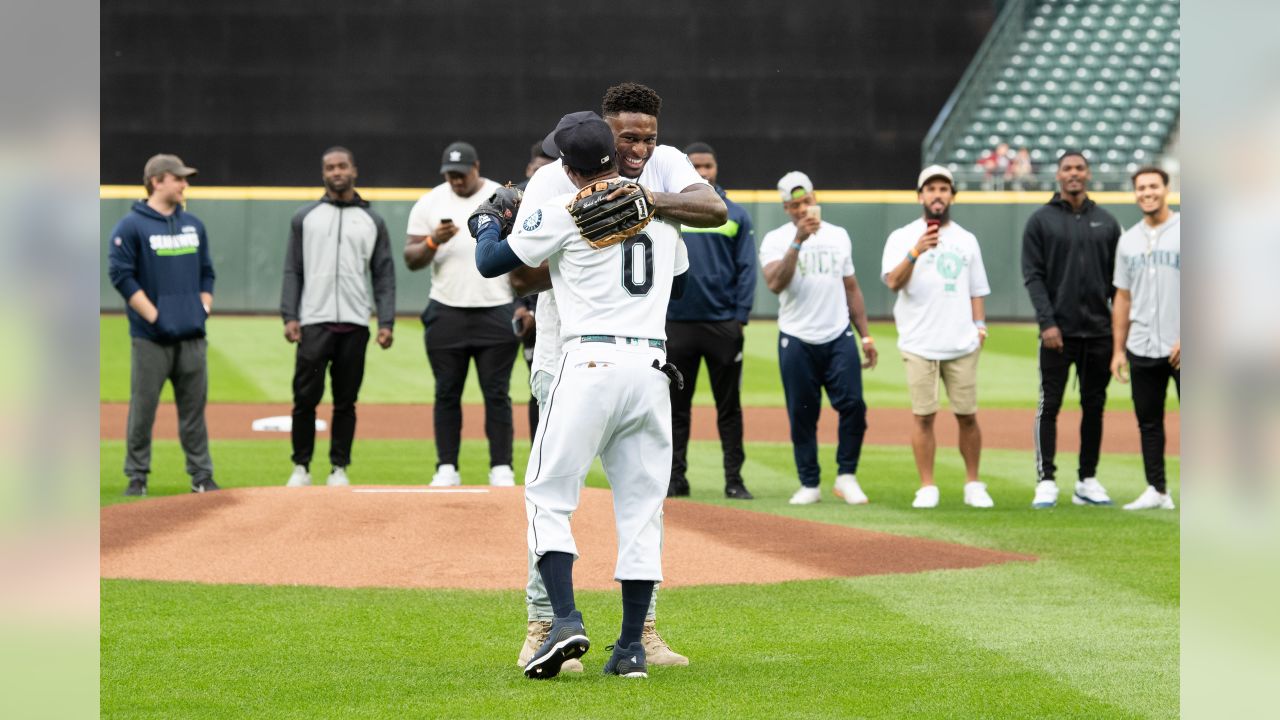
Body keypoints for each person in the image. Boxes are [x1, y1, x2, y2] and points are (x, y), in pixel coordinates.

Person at [509, 84, 726, 673]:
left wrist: (637, 198)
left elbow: (716, 209)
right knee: (587, 492)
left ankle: (634, 633)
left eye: (648, 137)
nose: (640, 147)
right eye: (628, 137)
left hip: (605, 350)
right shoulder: (554, 177)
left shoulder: (664, 165)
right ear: (605, 132)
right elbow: (527, 279)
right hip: (575, 348)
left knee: (582, 496)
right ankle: (542, 624)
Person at [471, 111, 689, 679]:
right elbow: (680, 279)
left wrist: (488, 222)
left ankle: (563, 619)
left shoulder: (569, 209)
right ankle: (632, 649)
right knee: (642, 510)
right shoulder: (661, 207)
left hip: (589, 359)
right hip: (652, 365)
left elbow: (493, 265)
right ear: (614, 156)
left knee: (548, 495)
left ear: (566, 165)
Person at [404, 142, 519, 487]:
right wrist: (432, 242)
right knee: (446, 393)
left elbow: (523, 249)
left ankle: (501, 467)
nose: (455, 180)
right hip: (447, 309)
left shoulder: (502, 197)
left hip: (495, 308)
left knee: (496, 393)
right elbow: (411, 259)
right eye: (449, 174)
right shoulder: (430, 201)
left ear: (476, 167)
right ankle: (446, 467)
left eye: (461, 173)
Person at [280, 147, 396, 487]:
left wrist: (385, 321)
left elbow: (383, 274)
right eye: (330, 167)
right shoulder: (306, 217)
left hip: (355, 323)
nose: (336, 172)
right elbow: (293, 270)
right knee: (305, 398)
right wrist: (290, 314)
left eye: (342, 166)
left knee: (346, 401)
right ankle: (301, 466)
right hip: (314, 321)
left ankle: (338, 468)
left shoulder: (372, 220)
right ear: (323, 173)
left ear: (354, 170)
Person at [760, 171, 877, 506]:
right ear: (785, 208)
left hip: (837, 333)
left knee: (854, 405)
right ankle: (809, 481)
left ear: (815, 198)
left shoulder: (839, 235)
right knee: (803, 413)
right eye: (794, 205)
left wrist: (865, 337)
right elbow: (775, 283)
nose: (802, 209)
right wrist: (798, 240)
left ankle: (846, 476)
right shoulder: (776, 239)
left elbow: (851, 288)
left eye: (806, 201)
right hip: (797, 337)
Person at [881, 165, 994, 509]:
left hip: (960, 340)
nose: (937, 195)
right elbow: (892, 282)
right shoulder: (903, 236)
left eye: (944, 189)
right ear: (920, 196)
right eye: (931, 189)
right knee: (924, 416)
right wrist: (916, 251)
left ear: (952, 196)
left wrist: (980, 325)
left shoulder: (966, 239)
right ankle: (927, 485)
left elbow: (977, 289)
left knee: (967, 415)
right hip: (918, 341)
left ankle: (973, 483)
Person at [107, 154, 218, 495]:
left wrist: (202, 309)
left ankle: (201, 475)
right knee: (143, 409)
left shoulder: (193, 225)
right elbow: (121, 276)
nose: (185, 184)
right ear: (157, 181)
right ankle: (137, 476)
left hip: (191, 336)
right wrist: (155, 316)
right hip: (151, 338)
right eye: (179, 178)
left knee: (194, 412)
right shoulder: (131, 226)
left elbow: (207, 272)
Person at [1022, 151, 1123, 508]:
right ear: (1058, 175)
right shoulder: (1040, 221)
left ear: (1088, 174)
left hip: (1098, 332)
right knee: (1049, 405)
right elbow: (1033, 277)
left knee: (1094, 406)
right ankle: (1045, 480)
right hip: (1057, 333)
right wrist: (1047, 322)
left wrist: (1117, 333)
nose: (1074, 174)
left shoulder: (1107, 223)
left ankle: (1087, 479)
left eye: (1080, 168)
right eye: (1067, 169)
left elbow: (1118, 284)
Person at [665, 141, 757, 500]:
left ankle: (734, 480)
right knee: (675, 409)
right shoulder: (671, 212)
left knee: (729, 408)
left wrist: (740, 318)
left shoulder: (735, 215)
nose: (703, 172)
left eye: (709, 166)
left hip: (722, 325)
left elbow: (747, 269)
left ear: (716, 168)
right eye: (697, 166)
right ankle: (676, 478)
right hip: (677, 323)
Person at [1110, 166, 1180, 510]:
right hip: (1141, 344)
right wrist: (1118, 349)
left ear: (1166, 189)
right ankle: (1157, 489)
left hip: (1182, 344)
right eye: (1141, 188)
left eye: (1153, 186)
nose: (1147, 193)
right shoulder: (1128, 240)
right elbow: (1122, 296)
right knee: (1148, 421)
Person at [513, 139, 558, 439]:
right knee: (539, 388)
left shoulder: (564, 198)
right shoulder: (517, 197)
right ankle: (538, 455)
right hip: (535, 310)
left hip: (561, 309)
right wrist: (521, 309)